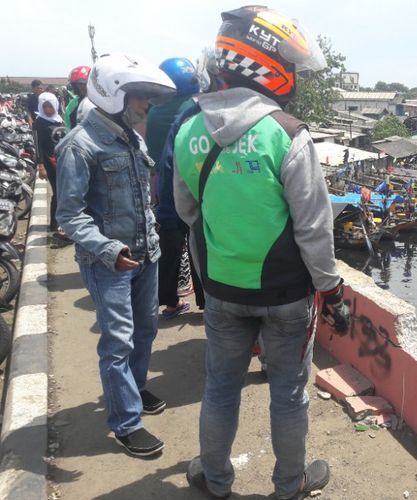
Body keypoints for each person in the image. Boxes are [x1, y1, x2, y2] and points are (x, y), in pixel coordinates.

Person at [173, 6, 350, 499]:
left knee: (221, 387)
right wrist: (331, 291)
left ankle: (214, 478)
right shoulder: (287, 133)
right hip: (287, 295)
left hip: (222, 289)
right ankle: (290, 485)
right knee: (289, 395)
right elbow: (315, 229)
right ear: (267, 65)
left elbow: (187, 210)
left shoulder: (189, 130)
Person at [55, 53, 176, 458]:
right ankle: (126, 422)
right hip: (109, 264)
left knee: (147, 330)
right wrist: (108, 248)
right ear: (112, 95)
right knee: (118, 342)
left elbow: (142, 197)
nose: (146, 105)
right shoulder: (80, 145)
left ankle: (135, 388)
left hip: (146, 255)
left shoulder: (132, 137)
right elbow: (69, 215)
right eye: (140, 96)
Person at [145, 57, 204, 319]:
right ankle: (206, 302)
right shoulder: (193, 111)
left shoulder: (154, 111)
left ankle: (169, 303)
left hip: (161, 186)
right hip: (189, 188)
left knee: (169, 251)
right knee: (198, 248)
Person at [32, 92, 66, 234]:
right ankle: (54, 223)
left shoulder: (59, 120)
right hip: (49, 162)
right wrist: (41, 166)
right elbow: (37, 144)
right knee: (57, 192)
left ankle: (62, 221)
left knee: (65, 192)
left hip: (62, 160)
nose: (47, 110)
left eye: (50, 106)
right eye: (44, 106)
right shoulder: (39, 122)